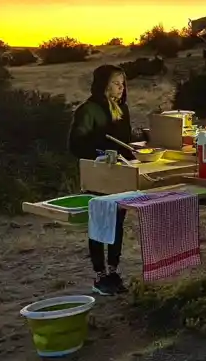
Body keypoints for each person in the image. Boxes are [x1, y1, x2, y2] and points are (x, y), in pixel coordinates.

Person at [68, 64, 134, 296]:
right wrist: (100, 153)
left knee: (117, 224)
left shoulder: (122, 109)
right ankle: (99, 276)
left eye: (122, 83)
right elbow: (76, 144)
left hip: (119, 176)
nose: (121, 87)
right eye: (116, 83)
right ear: (104, 85)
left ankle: (114, 271)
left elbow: (124, 141)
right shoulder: (88, 110)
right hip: (98, 176)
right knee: (99, 225)